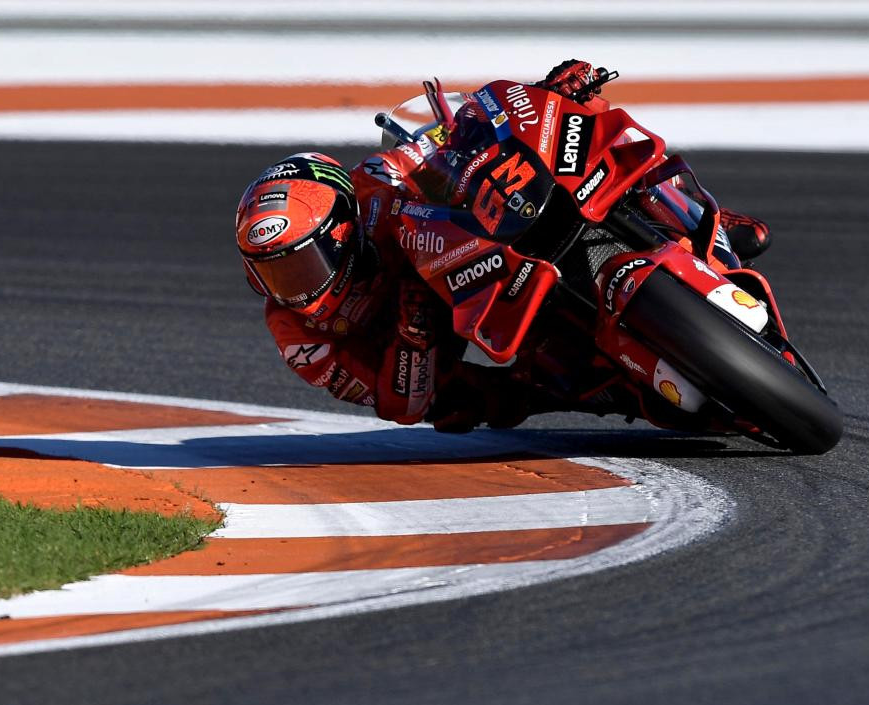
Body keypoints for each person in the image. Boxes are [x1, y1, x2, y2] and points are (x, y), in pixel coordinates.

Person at [234, 60, 771, 432]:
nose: (293, 290)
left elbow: (448, 143)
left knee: (597, 145)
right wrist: (413, 334)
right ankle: (620, 378)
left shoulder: (374, 183)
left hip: (478, 252)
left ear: (339, 233)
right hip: (453, 344)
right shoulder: (296, 335)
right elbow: (400, 405)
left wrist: (546, 97)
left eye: (300, 265)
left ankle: (701, 217)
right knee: (480, 404)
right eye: (274, 275)